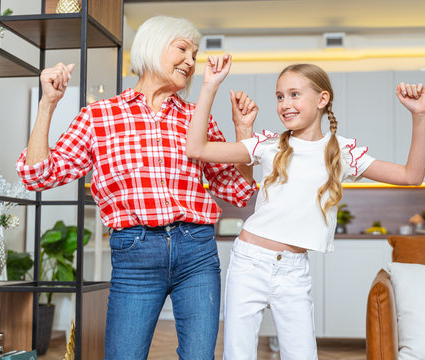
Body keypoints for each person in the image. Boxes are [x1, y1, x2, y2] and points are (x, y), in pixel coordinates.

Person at [16, 17, 258, 360]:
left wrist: (244, 134)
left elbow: (238, 191)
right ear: (153, 46)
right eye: (182, 49)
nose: (191, 61)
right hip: (136, 254)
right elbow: (37, 176)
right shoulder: (99, 117)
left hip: (197, 252)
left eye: (195, 54)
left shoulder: (196, 117)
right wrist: (48, 105)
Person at [186, 54, 425, 359]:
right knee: (238, 355)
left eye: (294, 94)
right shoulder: (268, 145)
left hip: (293, 271)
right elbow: (197, 148)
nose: (285, 104)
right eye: (279, 96)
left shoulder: (343, 151)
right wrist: (210, 85)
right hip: (249, 262)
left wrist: (419, 115)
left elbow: (411, 175)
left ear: (322, 99)